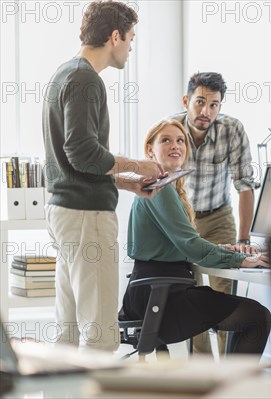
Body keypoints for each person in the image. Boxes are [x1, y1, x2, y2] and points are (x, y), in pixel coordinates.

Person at [42, 2, 165, 351]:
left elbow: (71, 163)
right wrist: (139, 166)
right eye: (130, 38)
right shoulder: (85, 79)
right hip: (86, 217)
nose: (131, 46)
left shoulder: (63, 74)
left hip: (65, 213)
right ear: (115, 36)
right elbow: (82, 153)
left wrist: (126, 184)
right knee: (100, 337)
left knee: (68, 334)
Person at [120, 119, 271, 354]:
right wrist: (241, 260)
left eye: (181, 141)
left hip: (153, 293)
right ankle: (235, 390)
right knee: (257, 317)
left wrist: (227, 250)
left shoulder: (163, 186)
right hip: (163, 298)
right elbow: (190, 246)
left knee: (246, 315)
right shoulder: (160, 187)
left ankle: (227, 387)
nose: (176, 146)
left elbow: (178, 246)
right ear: (150, 149)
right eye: (166, 140)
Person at [168, 72, 255, 354]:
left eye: (214, 104)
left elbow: (244, 185)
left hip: (219, 218)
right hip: (184, 222)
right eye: (200, 102)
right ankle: (202, 373)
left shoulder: (232, 130)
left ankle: (228, 372)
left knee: (224, 299)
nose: (206, 111)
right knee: (191, 299)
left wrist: (243, 239)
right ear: (187, 100)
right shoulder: (171, 131)